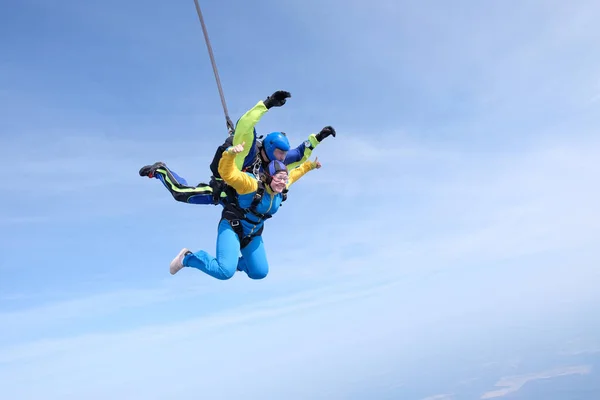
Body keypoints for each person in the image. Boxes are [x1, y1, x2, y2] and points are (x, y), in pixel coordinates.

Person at [138, 90, 335, 205]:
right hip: (224, 185)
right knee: (181, 193)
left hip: (242, 200)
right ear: (269, 147)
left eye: (283, 154)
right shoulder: (250, 151)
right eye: (279, 153)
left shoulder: (277, 162)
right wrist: (267, 104)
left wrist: (318, 138)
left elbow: (299, 155)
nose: (282, 158)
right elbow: (245, 127)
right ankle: (161, 170)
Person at [168, 140, 321, 280]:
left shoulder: (282, 188)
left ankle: (233, 263)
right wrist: (230, 154)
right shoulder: (251, 185)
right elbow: (228, 174)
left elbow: (295, 173)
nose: (282, 182)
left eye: (284, 179)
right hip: (233, 227)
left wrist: (310, 166)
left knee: (259, 272)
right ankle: (188, 258)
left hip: (253, 234)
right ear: (268, 176)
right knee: (224, 272)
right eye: (278, 178)